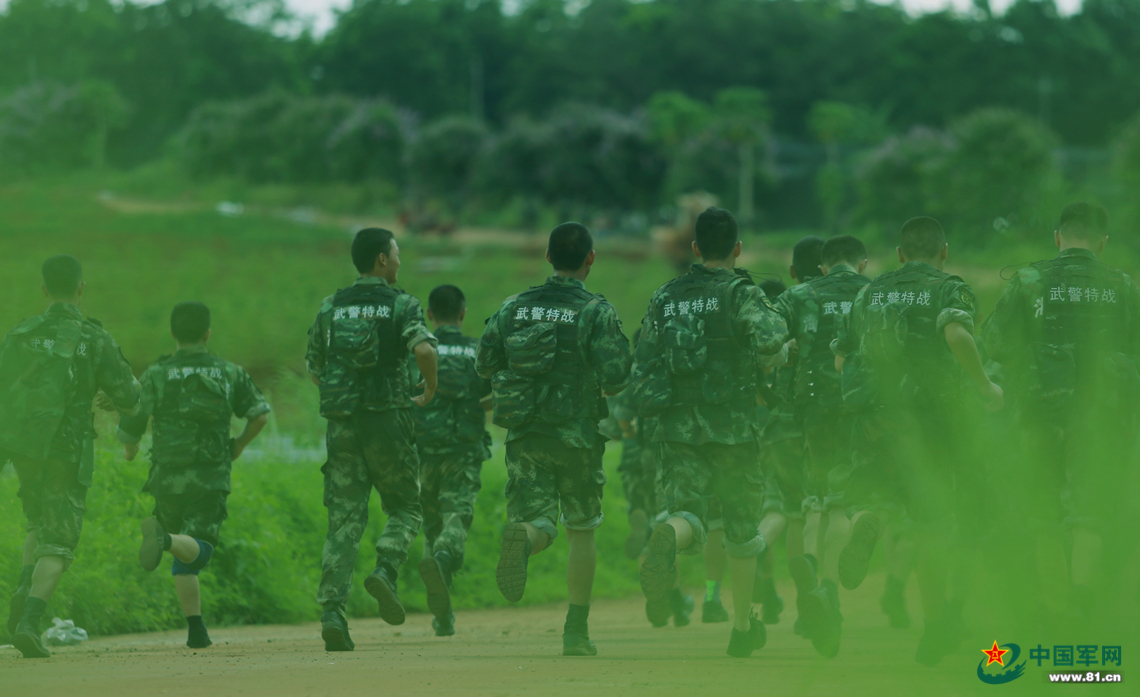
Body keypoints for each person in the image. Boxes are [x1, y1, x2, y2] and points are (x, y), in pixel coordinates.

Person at [831, 216, 1001, 666]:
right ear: (944, 252)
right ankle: (934, 629)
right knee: (931, 526)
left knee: (873, 496)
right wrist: (984, 385)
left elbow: (842, 358)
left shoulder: (869, 292)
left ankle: (867, 521)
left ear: (900, 254)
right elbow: (957, 334)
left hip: (874, 417)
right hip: (931, 424)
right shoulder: (950, 288)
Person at [632, 207, 788, 658]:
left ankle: (669, 534)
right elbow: (772, 339)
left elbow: (645, 355)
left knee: (686, 511)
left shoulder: (665, 296)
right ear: (737, 248)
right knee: (741, 530)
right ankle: (741, 629)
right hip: (733, 430)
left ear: (695, 248)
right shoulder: (741, 293)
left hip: (677, 426)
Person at [476, 222, 632, 656]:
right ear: (590, 258)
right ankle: (575, 632)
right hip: (577, 437)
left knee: (539, 521)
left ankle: (523, 538)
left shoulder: (513, 308)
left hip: (525, 433)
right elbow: (618, 377)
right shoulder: (596, 312)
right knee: (581, 528)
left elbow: (484, 364)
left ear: (547, 257)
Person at [981, 202, 1140, 626]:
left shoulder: (1028, 280)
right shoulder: (1123, 285)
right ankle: (1083, 597)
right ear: (1102, 242)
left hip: (1039, 411)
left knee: (1043, 508)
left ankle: (1055, 605)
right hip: (1101, 414)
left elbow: (993, 342)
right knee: (1090, 507)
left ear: (1057, 238)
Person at [0, 255, 141, 658]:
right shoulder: (94, 338)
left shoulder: (21, 334)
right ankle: (30, 622)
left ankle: (23, 589)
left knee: (38, 521)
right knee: (59, 540)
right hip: (67, 450)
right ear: (81, 288)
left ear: (44, 289)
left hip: (24, 448)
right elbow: (130, 399)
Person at [306, 228, 439, 652]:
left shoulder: (331, 306)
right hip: (388, 423)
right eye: (396, 253)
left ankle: (332, 613)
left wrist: (346, 395)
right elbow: (424, 351)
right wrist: (429, 387)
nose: (399, 261)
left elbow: (315, 368)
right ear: (382, 259)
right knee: (406, 506)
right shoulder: (402, 304)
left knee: (344, 519)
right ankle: (385, 568)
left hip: (342, 426)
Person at [117, 302, 271, 649]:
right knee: (198, 549)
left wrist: (129, 450)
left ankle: (196, 631)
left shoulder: (157, 373)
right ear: (207, 333)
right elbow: (260, 415)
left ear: (173, 333)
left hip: (166, 477)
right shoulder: (229, 372)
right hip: (209, 476)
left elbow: (133, 420)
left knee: (184, 552)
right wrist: (238, 445)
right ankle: (163, 540)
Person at [771, 235, 871, 657]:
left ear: (824, 267)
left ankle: (809, 571)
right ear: (862, 264)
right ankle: (828, 589)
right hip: (859, 409)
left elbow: (765, 337)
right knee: (842, 504)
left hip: (811, 411)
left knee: (814, 501)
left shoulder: (799, 296)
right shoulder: (875, 293)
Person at [410, 284, 491, 637]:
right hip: (464, 448)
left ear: (430, 315)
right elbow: (494, 395)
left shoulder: (419, 351)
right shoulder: (477, 351)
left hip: (423, 449)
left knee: (431, 524)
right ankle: (444, 558)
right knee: (456, 513)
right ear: (463, 313)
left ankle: (442, 615)